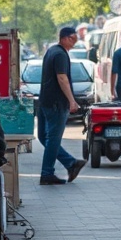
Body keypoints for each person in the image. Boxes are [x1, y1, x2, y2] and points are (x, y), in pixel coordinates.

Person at [37, 26, 86, 185]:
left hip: (45, 101)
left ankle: (70, 164)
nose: (74, 42)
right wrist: (72, 100)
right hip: (57, 103)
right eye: (72, 39)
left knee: (45, 138)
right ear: (64, 38)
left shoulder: (52, 51)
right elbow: (62, 78)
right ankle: (47, 173)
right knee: (52, 138)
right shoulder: (60, 54)